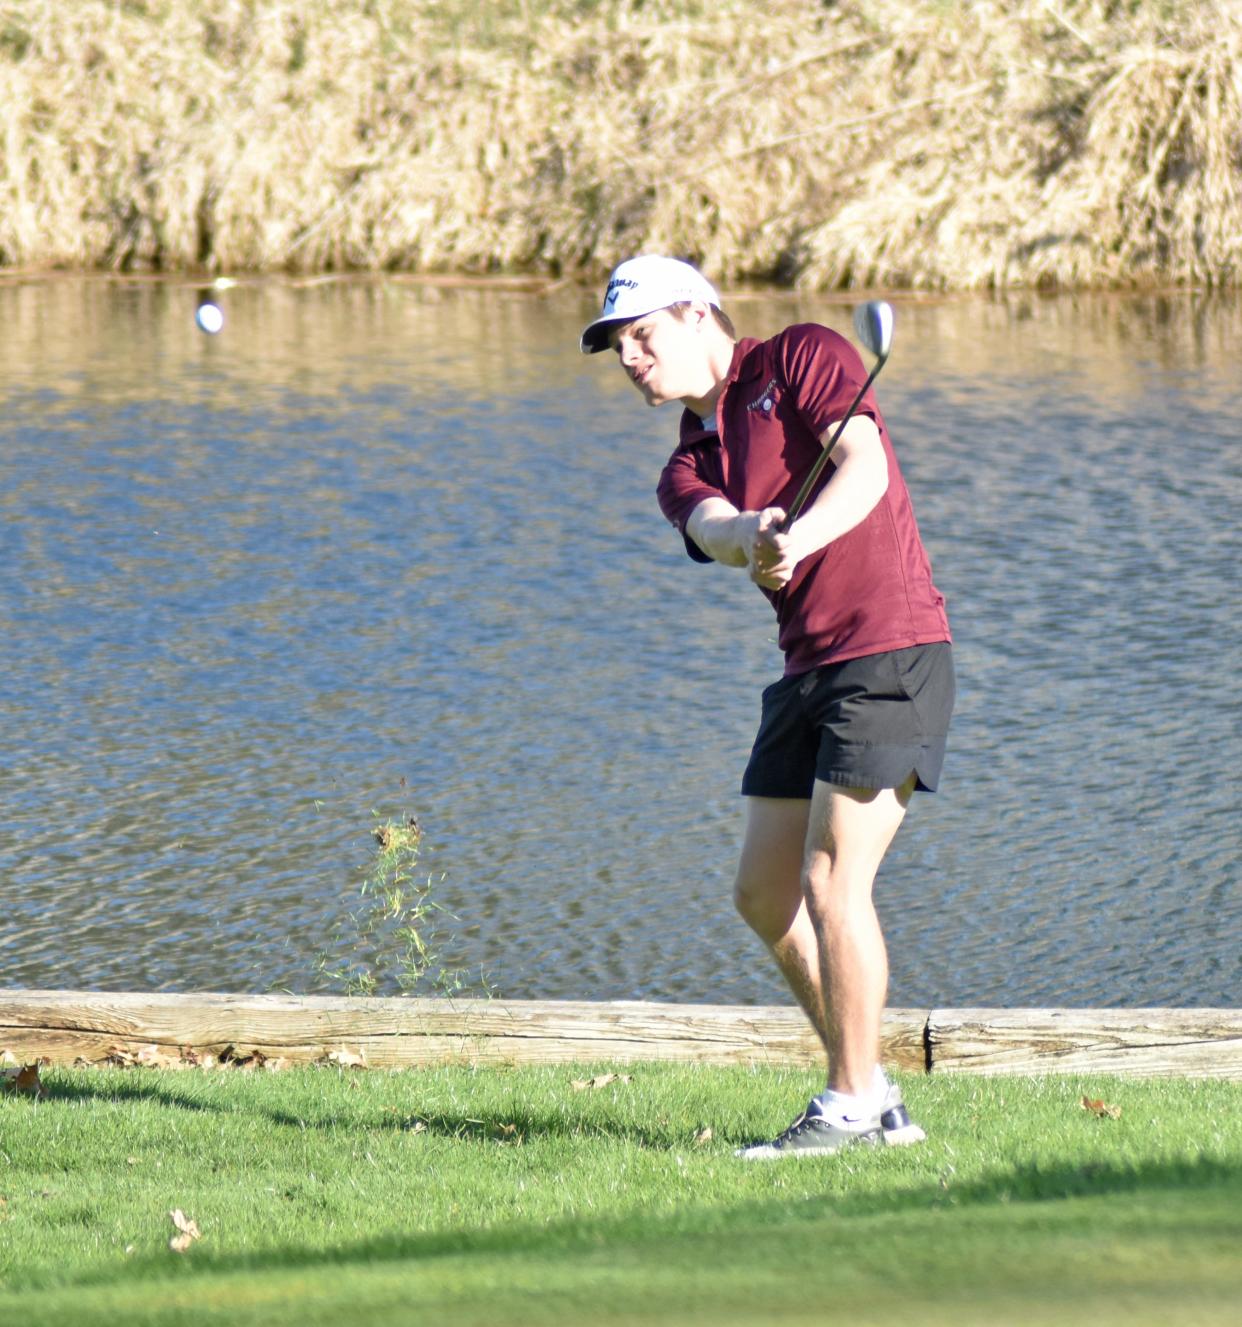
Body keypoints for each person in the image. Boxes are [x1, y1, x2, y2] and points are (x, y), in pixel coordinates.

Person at [580, 255, 954, 1158]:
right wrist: (751, 534)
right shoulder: (686, 458)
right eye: (618, 346)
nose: (631, 357)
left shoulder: (803, 356)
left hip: (890, 649)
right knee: (763, 891)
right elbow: (708, 524)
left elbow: (862, 467)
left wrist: (801, 536)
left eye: (643, 335)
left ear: (699, 313)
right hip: (805, 671)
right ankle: (871, 1091)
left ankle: (851, 1103)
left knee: (833, 882)